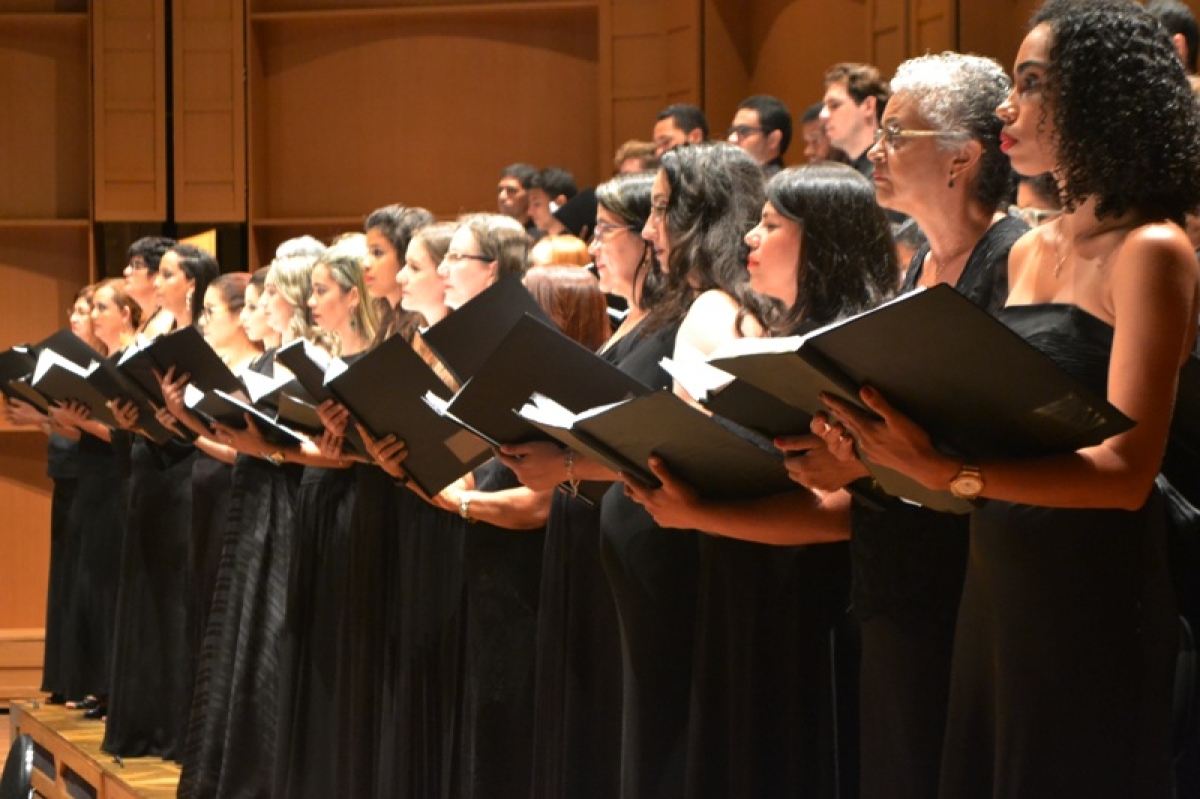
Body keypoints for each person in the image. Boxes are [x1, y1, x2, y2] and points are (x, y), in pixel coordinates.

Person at [818, 2, 1200, 795]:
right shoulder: (1031, 245)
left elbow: (1127, 471)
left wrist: (950, 471)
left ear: (1095, 99)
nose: (1007, 107)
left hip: (1092, 587)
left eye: (1030, 85)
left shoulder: (1154, 249)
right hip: (999, 576)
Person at [785, 52, 1024, 799]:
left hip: (974, 584)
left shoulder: (1018, 260)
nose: (875, 151)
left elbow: (1003, 435)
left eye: (896, 132)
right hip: (896, 576)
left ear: (962, 156)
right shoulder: (914, 259)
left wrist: (859, 462)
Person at [500, 173, 664, 799]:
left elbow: (653, 442)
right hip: (589, 530)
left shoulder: (667, 324)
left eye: (605, 232)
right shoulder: (632, 323)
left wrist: (568, 466)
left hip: (629, 532)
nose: (593, 245)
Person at [104, 243, 217, 760]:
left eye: (169, 273)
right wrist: (133, 417)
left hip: (184, 474)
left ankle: (176, 728)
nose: (159, 281)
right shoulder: (157, 334)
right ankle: (145, 722)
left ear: (190, 283)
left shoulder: (197, 340)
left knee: (177, 604)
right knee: (150, 599)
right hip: (151, 466)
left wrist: (174, 420)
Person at [821, 63, 890, 177]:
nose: (823, 115)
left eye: (834, 105)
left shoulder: (886, 172)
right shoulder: (850, 170)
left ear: (868, 106)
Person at [121, 236, 176, 339]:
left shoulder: (164, 324)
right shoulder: (149, 321)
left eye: (136, 265)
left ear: (158, 274)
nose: (126, 271)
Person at [727, 94, 792, 177]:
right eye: (732, 131)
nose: (732, 139)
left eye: (744, 131)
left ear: (773, 140)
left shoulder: (778, 186)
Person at [528, 167, 579, 237]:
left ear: (560, 202)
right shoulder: (534, 240)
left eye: (536, 204)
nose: (530, 212)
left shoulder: (588, 244)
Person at [497, 162, 539, 239]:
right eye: (500, 190)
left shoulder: (543, 236)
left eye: (511, 190)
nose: (501, 197)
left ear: (531, 195)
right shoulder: (494, 231)